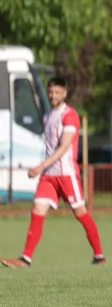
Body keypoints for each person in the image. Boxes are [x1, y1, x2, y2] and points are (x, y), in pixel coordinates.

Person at [1, 77, 106, 269]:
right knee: (37, 210)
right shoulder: (47, 116)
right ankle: (25, 259)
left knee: (80, 212)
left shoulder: (70, 115)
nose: (53, 95)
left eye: (57, 92)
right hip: (49, 175)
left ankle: (100, 256)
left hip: (66, 175)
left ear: (64, 94)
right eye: (50, 92)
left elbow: (64, 146)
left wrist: (40, 166)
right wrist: (44, 169)